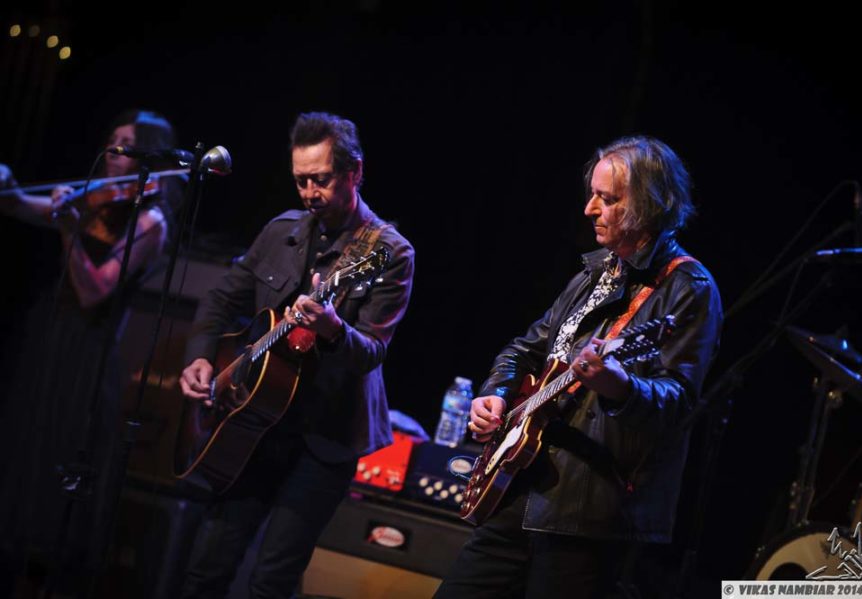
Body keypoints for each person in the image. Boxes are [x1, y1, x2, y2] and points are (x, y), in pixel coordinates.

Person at [435, 136, 723, 598]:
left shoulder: (688, 288)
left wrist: (620, 387)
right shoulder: (595, 274)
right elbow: (525, 349)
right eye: (592, 194)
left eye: (607, 199)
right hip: (521, 482)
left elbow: (679, 403)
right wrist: (496, 391)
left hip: (589, 514)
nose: (589, 208)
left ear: (648, 205)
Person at [178, 111, 415, 598]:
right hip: (254, 425)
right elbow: (222, 300)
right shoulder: (281, 231)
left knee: (272, 579)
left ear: (355, 172)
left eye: (321, 180)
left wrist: (330, 327)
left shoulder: (389, 252)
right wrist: (201, 356)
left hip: (324, 440)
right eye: (300, 181)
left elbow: (372, 351)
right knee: (208, 564)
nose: (309, 194)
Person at [0, 109, 181, 594]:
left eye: (128, 146)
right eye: (113, 142)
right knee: (25, 440)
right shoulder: (96, 198)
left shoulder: (150, 221)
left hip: (88, 350)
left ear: (148, 157)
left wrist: (68, 228)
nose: (115, 154)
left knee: (59, 451)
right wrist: (9, 185)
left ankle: (42, 573)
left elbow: (95, 290)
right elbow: (17, 205)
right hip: (50, 334)